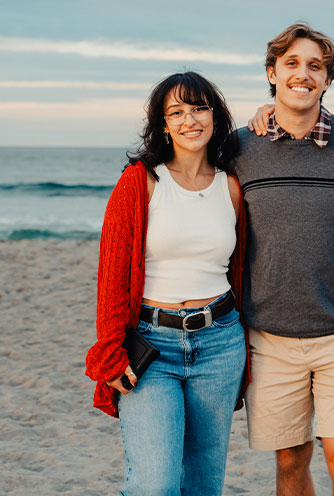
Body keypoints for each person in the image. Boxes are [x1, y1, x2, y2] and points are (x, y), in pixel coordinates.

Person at [235, 23, 334, 496]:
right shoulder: (240, 147)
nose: (303, 74)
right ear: (272, 73)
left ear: (327, 79)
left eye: (315, 66)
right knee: (290, 462)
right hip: (269, 335)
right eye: (292, 64)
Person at [84, 71, 248, 495]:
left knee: (203, 481)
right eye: (176, 112)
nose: (189, 120)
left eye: (199, 108)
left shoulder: (231, 187)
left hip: (220, 343)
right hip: (152, 346)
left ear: (215, 116)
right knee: (155, 482)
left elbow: (241, 271)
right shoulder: (140, 181)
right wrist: (110, 353)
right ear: (163, 125)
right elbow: (112, 274)